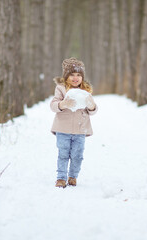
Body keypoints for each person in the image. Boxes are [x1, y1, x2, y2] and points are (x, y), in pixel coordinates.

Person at [50, 57, 98, 188]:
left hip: (80, 130)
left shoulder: (85, 91)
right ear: (66, 76)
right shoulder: (61, 89)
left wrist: (92, 105)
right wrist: (63, 103)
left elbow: (92, 111)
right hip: (63, 129)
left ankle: (73, 176)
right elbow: (53, 105)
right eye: (72, 75)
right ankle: (61, 178)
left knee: (77, 155)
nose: (75, 78)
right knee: (63, 154)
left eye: (78, 75)